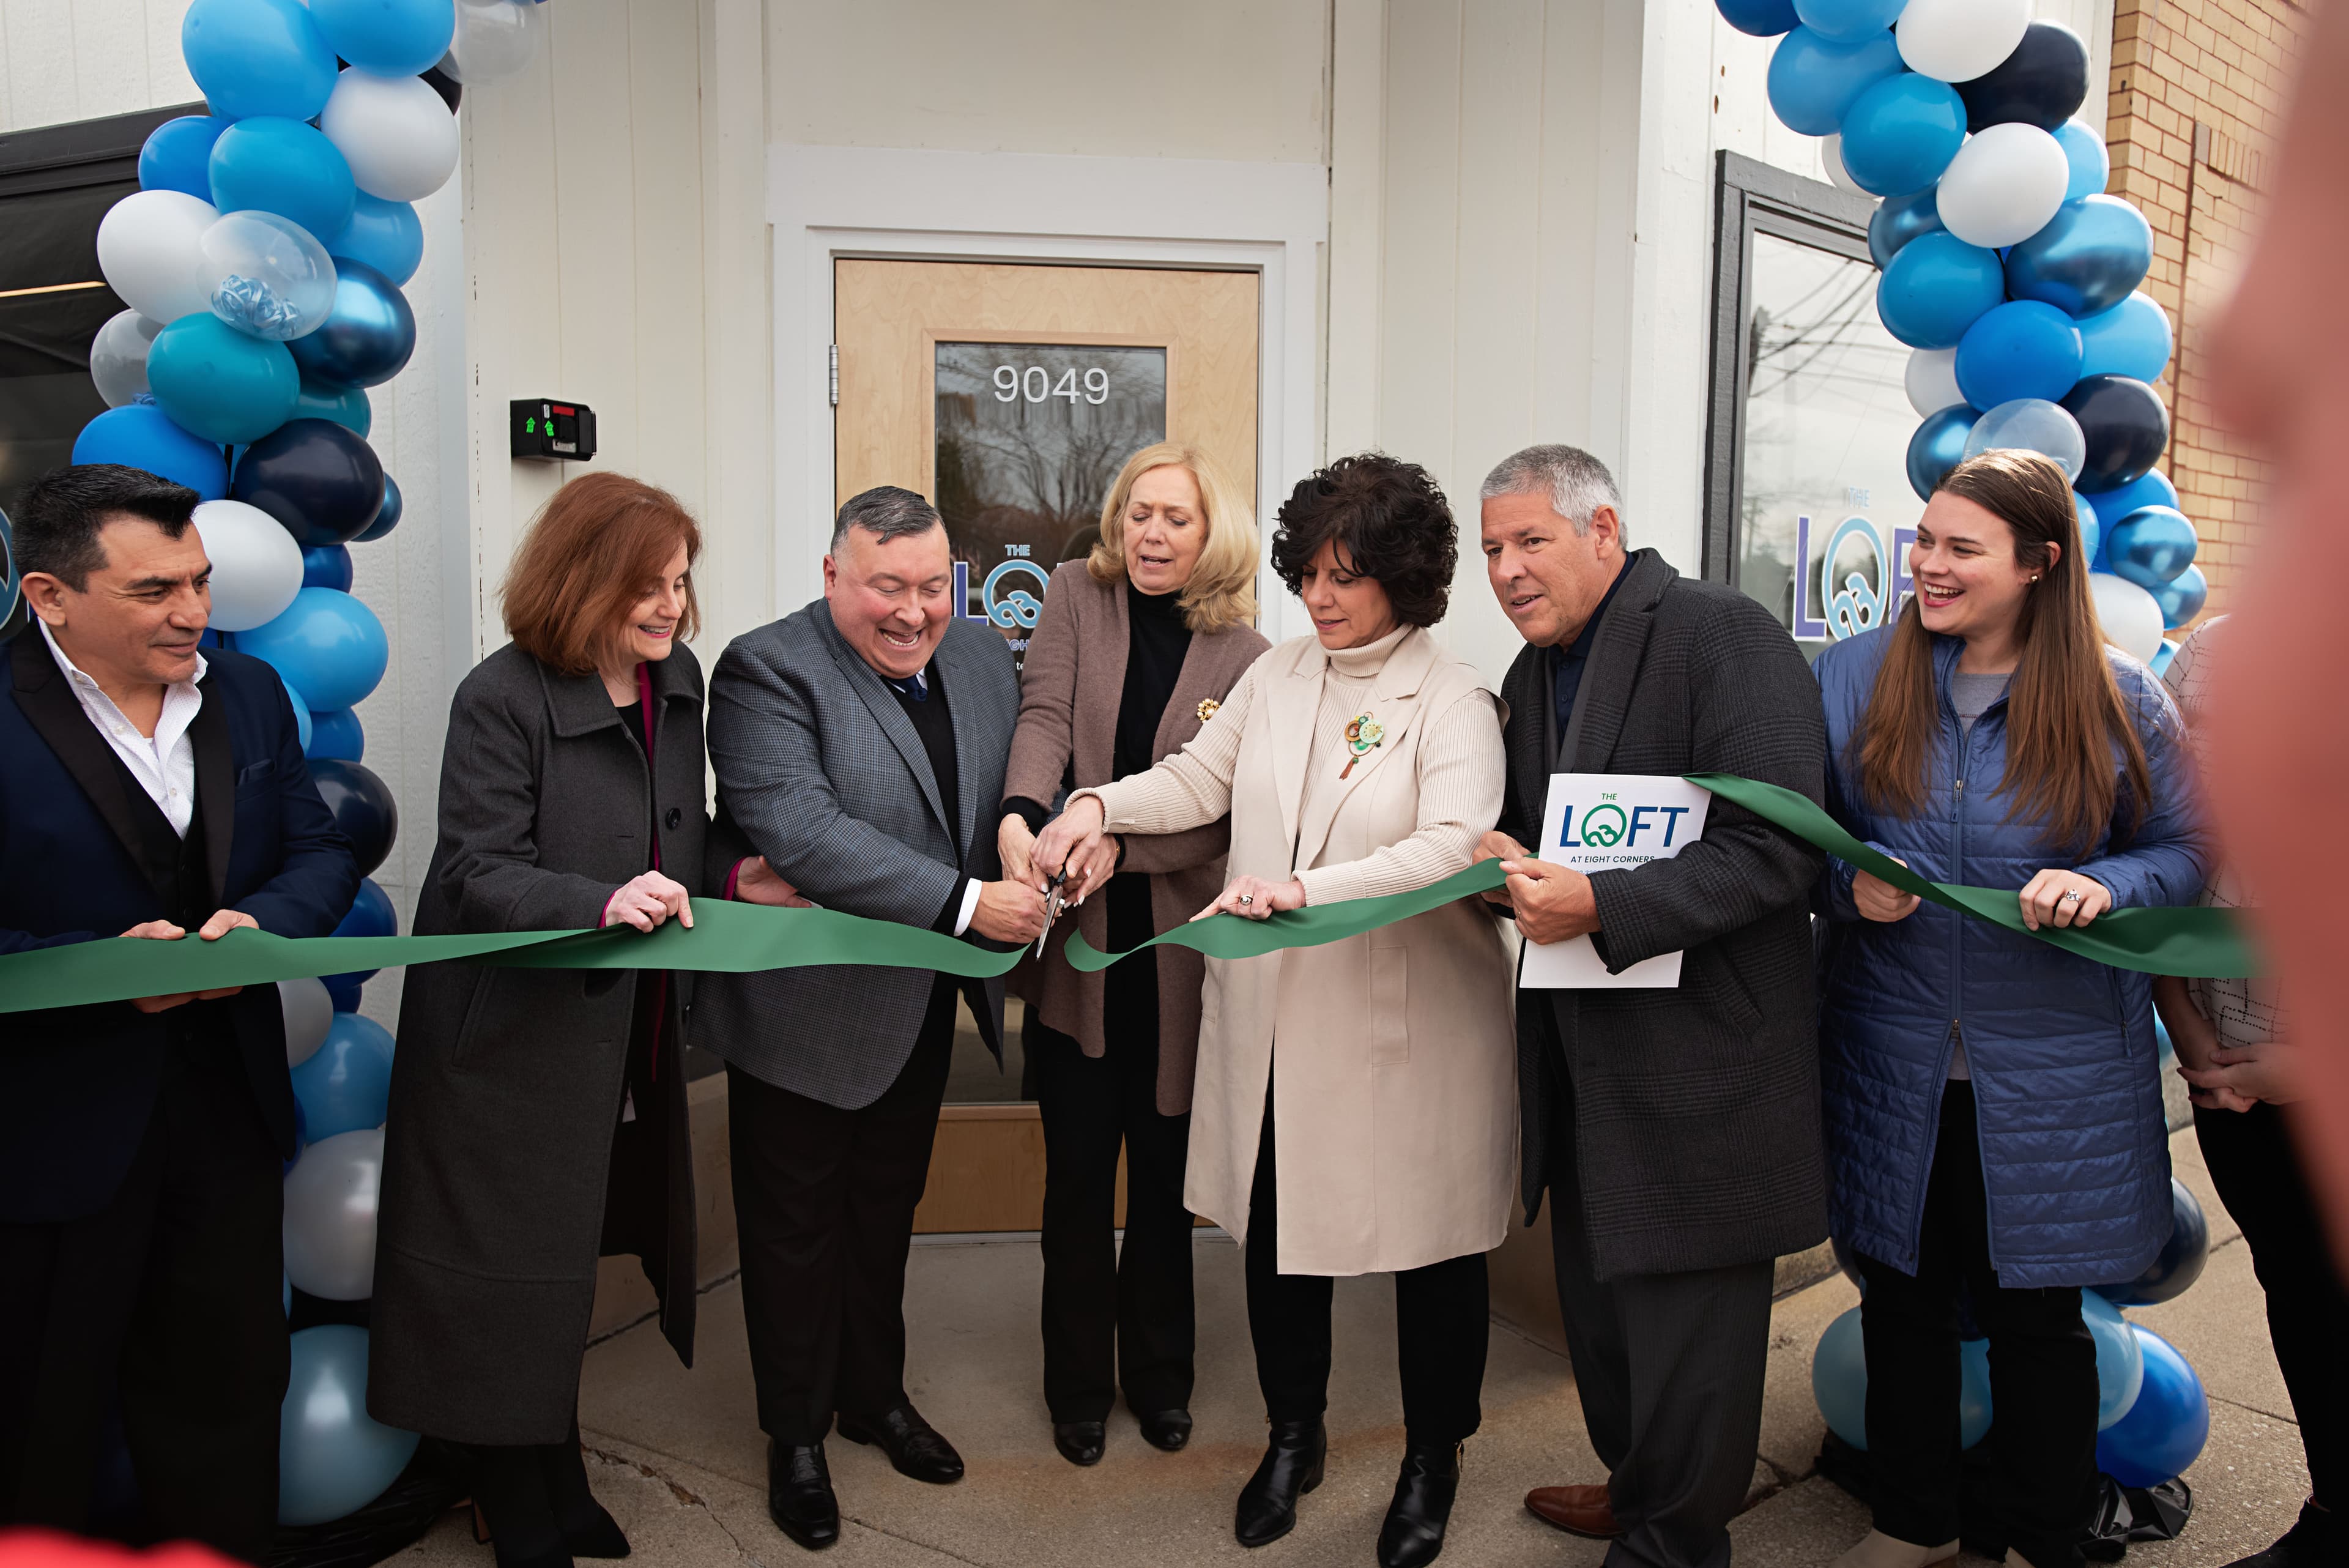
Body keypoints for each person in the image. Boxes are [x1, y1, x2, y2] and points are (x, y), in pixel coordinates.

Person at [1035, 453, 1512, 1568]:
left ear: (1407, 577)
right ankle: (1293, 1438)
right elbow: (1199, 781)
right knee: (1282, 1246)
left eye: (1349, 575)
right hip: (1278, 1029)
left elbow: (1450, 845)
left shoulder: (1455, 698)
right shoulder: (1281, 674)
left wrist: (1307, 891)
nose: (1323, 596)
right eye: (1308, 572)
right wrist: (1099, 801)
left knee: (1432, 1255)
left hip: (1408, 1029)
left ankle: (1433, 1459)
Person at [370, 474, 771, 1568]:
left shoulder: (674, 678)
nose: (670, 610)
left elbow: (674, 832)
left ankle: (552, 1463)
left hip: (623, 1030)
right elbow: (476, 867)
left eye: (681, 584)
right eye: (646, 587)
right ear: (581, 581)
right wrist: (595, 901)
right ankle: (515, 1488)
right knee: (507, 1274)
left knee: (566, 1265)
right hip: (507, 1040)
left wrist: (739, 869)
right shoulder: (501, 696)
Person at [1813, 450, 2206, 1568]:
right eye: (1924, 540)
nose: (1928, 567)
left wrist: (2111, 884)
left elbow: (2186, 850)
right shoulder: (1848, 676)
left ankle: (2040, 1531)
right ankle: (1911, 1522)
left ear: (2038, 565)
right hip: (1891, 1056)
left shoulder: (2122, 695)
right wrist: (1849, 886)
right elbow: (1789, 852)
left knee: (2040, 1321)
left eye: (1959, 550)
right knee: (1903, 1303)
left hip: (2055, 1069)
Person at [1474, 444, 1830, 1568]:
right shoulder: (1535, 676)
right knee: (1607, 1315)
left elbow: (1780, 848)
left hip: (1700, 1061)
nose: (1508, 570)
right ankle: (1642, 1490)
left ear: (1604, 531)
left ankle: (1677, 1538)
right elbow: (1571, 842)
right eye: (1493, 549)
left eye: (1531, 540)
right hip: (1582, 1060)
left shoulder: (1721, 636)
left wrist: (1604, 905)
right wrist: (1511, 863)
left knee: (1690, 1338)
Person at [0, 464, 358, 1561]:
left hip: (228, 1115)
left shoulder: (246, 696)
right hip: (48, 1137)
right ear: (51, 597)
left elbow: (320, 846)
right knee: (34, 1422)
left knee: (226, 1388)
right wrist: (92, 969)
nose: (196, 612)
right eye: (155, 591)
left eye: (198, 581)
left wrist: (264, 924)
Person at [696, 487, 1047, 1553]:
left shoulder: (986, 656)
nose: (912, 611)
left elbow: (1001, 793)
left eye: (933, 585)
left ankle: (873, 1399)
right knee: (795, 1232)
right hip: (805, 1010)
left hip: (920, 1007)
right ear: (831, 575)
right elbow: (799, 827)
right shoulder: (765, 669)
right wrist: (968, 903)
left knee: (884, 1214)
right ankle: (795, 1437)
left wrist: (1031, 833)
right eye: (885, 586)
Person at [996, 442, 1269, 1466]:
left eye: (1176, 519)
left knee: (1162, 1188)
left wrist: (1124, 841)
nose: (1151, 535)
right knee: (1074, 1185)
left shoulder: (1249, 655)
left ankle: (1160, 1378)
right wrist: (1024, 818)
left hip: (1177, 960)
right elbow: (1045, 720)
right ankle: (1076, 1387)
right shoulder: (1074, 595)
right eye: (1138, 513)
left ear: (1213, 536)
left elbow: (1223, 807)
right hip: (1080, 954)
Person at [2154, 617, 2345, 1568]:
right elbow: (2165, 838)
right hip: (2231, 1067)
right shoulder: (2211, 652)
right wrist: (2197, 1043)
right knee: (2301, 1296)